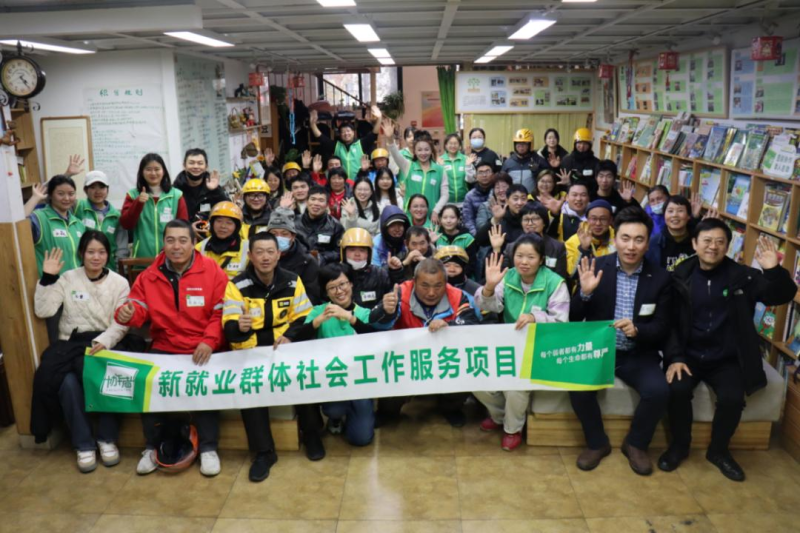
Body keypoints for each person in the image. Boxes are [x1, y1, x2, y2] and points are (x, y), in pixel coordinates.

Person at [660, 222, 796, 481]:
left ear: (727, 246)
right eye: (707, 240)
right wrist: (675, 357)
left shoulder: (743, 276)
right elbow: (671, 324)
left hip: (727, 357)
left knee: (732, 398)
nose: (713, 246)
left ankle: (719, 451)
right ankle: (679, 445)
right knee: (677, 389)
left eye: (720, 241)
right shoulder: (680, 276)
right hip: (689, 355)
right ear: (694, 243)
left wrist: (773, 271)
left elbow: (780, 295)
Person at [115, 220, 228, 477]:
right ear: (163, 243)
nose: (176, 246)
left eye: (183, 240)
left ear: (193, 243)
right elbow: (137, 307)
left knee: (206, 384)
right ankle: (152, 446)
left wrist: (209, 340)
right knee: (147, 383)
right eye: (170, 240)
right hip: (165, 345)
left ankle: (208, 448)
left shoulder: (211, 270)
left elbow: (221, 311)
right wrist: (127, 314)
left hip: (202, 345)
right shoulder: (149, 275)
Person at [569, 208, 672, 476]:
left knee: (659, 391)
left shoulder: (660, 278)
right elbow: (573, 317)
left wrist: (638, 330)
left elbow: (662, 326)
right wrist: (585, 294)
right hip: (599, 350)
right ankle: (597, 443)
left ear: (647, 244)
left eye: (639, 240)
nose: (631, 246)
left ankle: (636, 443)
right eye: (625, 238)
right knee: (577, 386)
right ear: (615, 239)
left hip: (637, 353)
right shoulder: (596, 266)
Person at [222, 232, 322, 479]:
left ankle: (312, 435)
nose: (265, 257)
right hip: (251, 352)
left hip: (283, 347)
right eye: (259, 252)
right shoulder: (236, 285)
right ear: (250, 256)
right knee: (248, 388)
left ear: (278, 255)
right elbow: (230, 328)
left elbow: (304, 318)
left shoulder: (292, 281)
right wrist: (240, 327)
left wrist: (289, 336)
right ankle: (264, 452)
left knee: (304, 375)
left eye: (270, 252)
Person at [34, 231, 130, 472]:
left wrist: (105, 341)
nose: (96, 257)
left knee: (114, 376)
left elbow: (122, 322)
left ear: (108, 255)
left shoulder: (120, 283)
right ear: (81, 254)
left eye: (101, 252)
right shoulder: (68, 278)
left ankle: (107, 438)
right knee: (66, 382)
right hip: (71, 345)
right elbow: (44, 310)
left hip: (105, 343)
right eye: (90, 252)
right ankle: (83, 443)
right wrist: (47, 278)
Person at [475, 238, 570, 450]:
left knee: (515, 386)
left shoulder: (555, 283)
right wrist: (489, 287)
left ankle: (512, 429)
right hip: (510, 345)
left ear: (541, 259)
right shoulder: (508, 276)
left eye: (530, 257)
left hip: (540, 348)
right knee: (476, 378)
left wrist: (535, 318)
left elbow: (561, 323)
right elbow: (488, 306)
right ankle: (499, 416)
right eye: (519, 256)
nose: (524, 262)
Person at [299, 263, 398, 446]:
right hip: (333, 378)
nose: (339, 291)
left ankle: (359, 412)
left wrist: (350, 318)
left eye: (342, 284)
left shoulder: (364, 313)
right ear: (326, 292)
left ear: (351, 284)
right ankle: (336, 417)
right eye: (332, 287)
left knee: (361, 439)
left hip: (361, 382)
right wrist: (318, 321)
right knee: (333, 409)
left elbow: (374, 338)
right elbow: (299, 338)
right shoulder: (318, 311)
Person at [386, 258, 482, 427]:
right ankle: (387, 412)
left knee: (465, 371)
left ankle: (450, 409)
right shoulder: (399, 293)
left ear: (446, 282)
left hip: (445, 358)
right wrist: (385, 312)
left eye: (438, 286)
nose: (431, 293)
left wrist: (449, 325)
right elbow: (376, 326)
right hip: (408, 359)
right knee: (388, 375)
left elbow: (472, 324)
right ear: (414, 281)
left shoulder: (458, 296)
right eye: (425, 286)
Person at [120, 153, 188, 260]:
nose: (153, 173)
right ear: (142, 172)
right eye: (148, 169)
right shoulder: (133, 195)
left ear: (163, 171)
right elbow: (126, 224)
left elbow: (183, 228)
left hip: (170, 259)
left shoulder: (176, 195)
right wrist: (138, 203)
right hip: (142, 260)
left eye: (157, 169)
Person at [384, 120, 449, 225]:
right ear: (414, 151)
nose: (423, 153)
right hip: (410, 218)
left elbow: (445, 195)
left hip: (431, 218)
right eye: (419, 150)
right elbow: (395, 154)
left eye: (426, 149)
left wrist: (436, 211)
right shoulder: (408, 166)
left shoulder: (440, 170)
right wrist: (390, 139)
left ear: (431, 150)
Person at [26, 175, 85, 276]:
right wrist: (35, 198)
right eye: (60, 194)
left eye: (71, 194)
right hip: (52, 283)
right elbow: (18, 226)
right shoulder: (39, 218)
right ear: (50, 195)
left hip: (77, 282)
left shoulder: (78, 224)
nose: (66, 198)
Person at [494, 202, 568, 280]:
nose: (530, 223)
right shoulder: (511, 247)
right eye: (526, 219)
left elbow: (560, 278)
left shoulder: (557, 247)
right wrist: (496, 248)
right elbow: (502, 275)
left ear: (544, 222)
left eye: (535, 219)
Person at [72, 170, 128, 272]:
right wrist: (68, 174)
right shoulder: (77, 207)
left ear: (107, 189)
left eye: (102, 187)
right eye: (93, 187)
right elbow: (53, 197)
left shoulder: (116, 216)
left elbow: (121, 248)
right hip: (82, 270)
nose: (97, 191)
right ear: (85, 190)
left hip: (108, 270)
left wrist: (119, 271)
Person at [310, 106, 382, 183]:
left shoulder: (361, 144)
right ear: (340, 135)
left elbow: (373, 134)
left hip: (358, 182)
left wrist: (379, 118)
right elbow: (321, 138)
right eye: (343, 132)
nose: (346, 133)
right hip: (341, 184)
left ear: (353, 132)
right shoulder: (336, 146)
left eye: (348, 131)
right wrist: (313, 124)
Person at [267, 208, 321, 305]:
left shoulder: (306, 261)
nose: (278, 238)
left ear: (293, 236)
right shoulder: (259, 258)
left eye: (284, 234)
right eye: (274, 234)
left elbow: (312, 296)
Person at [172, 148, 229, 235]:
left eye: (200, 163)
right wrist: (189, 228)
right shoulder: (175, 190)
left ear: (206, 167)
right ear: (184, 165)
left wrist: (215, 190)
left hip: (210, 237)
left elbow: (228, 209)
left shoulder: (214, 188)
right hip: (183, 236)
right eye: (191, 163)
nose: (196, 166)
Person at [646, 195, 706, 272]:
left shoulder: (697, 241)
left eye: (680, 211)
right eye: (670, 211)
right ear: (664, 215)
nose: (675, 215)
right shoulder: (653, 243)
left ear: (688, 216)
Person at [195, 201, 249, 280]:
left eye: (229, 223)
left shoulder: (248, 249)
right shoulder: (199, 249)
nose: (223, 226)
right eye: (219, 221)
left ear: (237, 227)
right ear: (212, 223)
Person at [340, 228, 393, 308]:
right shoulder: (336, 275)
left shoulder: (380, 274)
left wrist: (396, 272)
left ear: (369, 253)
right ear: (343, 252)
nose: (357, 254)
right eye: (352, 250)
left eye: (362, 250)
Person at [294, 185, 345, 266]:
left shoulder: (336, 226)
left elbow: (339, 252)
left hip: (324, 268)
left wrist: (323, 257)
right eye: (313, 199)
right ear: (307, 202)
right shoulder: (294, 222)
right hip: (298, 265)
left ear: (327, 205)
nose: (316, 203)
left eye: (321, 200)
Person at [565, 199, 616, 278]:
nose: (598, 223)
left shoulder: (618, 240)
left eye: (603, 219)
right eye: (593, 219)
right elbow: (571, 273)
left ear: (610, 220)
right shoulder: (574, 241)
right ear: (587, 219)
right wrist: (583, 249)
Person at [475, 184, 529, 252]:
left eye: (523, 199)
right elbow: (479, 240)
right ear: (507, 201)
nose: (519, 203)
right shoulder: (501, 219)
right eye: (515, 199)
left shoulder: (531, 220)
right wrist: (496, 219)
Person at [501, 129, 546, 193]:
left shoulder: (538, 160)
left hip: (532, 198)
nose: (521, 146)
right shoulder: (508, 163)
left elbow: (548, 180)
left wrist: (537, 172)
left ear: (530, 145)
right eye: (518, 143)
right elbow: (501, 182)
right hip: (513, 197)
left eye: (524, 143)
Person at [559, 128, 600, 193]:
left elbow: (598, 184)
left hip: (589, 195)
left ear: (590, 145)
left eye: (585, 143)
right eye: (579, 143)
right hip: (570, 194)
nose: (582, 146)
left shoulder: (596, 163)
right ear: (575, 144)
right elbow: (561, 182)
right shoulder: (566, 161)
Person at [438, 134, 475, 205]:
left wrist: (468, 166)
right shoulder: (440, 160)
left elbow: (471, 180)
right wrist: (441, 166)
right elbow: (438, 182)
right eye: (450, 143)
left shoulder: (466, 159)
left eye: (455, 143)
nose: (453, 146)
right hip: (446, 202)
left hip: (463, 202)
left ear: (460, 146)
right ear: (445, 145)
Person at [462, 161, 495, 235]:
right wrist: (476, 237)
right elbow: (468, 220)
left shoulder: (498, 192)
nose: (484, 175)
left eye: (487, 172)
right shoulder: (470, 196)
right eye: (480, 172)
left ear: (493, 174)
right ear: (475, 176)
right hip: (478, 234)